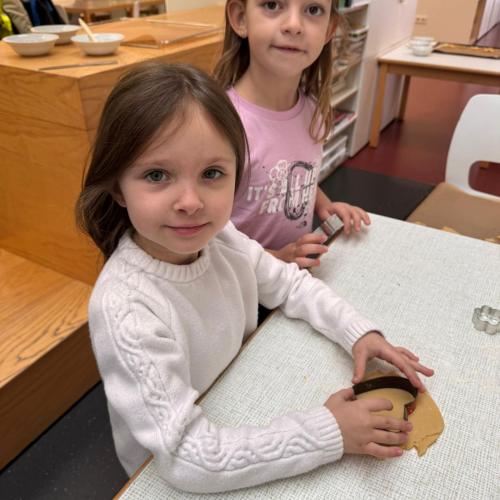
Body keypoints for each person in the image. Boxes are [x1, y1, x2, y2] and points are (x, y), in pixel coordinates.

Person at [76, 62, 433, 494]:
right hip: (163, 471)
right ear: (117, 187)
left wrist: (357, 332)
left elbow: (290, 284)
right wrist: (331, 431)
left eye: (212, 174)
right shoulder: (126, 309)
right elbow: (187, 456)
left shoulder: (222, 238)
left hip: (237, 395)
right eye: (156, 175)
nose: (190, 202)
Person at [214, 0, 370, 269]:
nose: (294, 26)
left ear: (329, 29)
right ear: (240, 17)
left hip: (294, 279)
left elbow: (289, 175)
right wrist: (275, 258)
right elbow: (207, 236)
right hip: (239, 281)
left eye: (313, 10)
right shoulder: (219, 125)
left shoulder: (313, 112)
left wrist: (323, 205)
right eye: (273, 4)